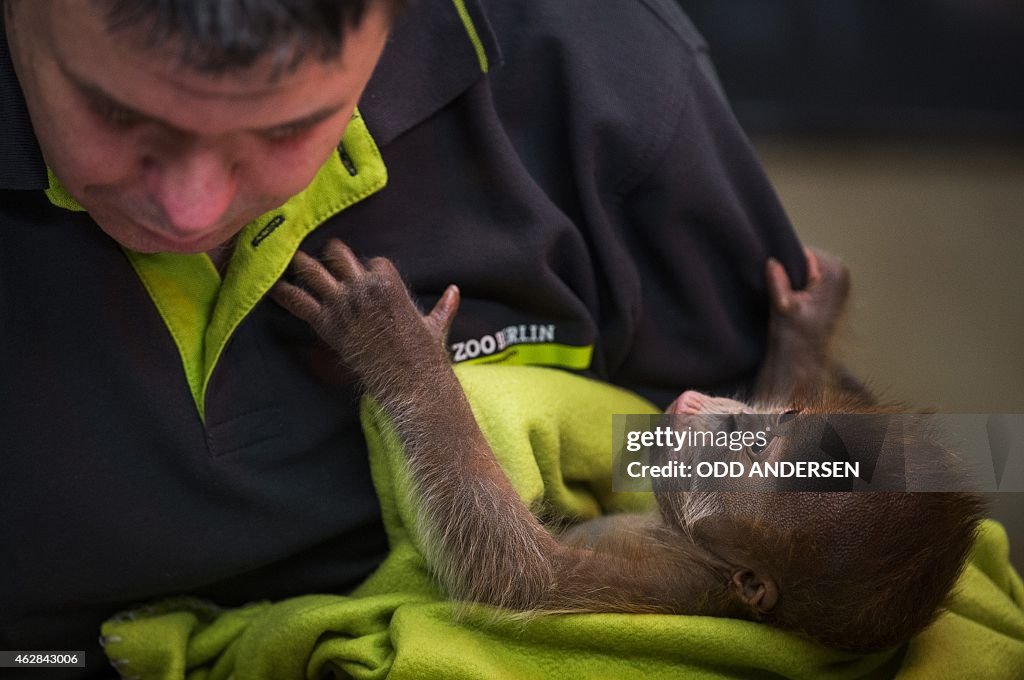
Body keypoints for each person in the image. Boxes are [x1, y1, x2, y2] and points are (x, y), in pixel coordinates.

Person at [0, 0, 805, 676]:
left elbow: (870, 493)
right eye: (116, 113)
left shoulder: (605, 63)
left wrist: (811, 366)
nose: (190, 211)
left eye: (286, 130)